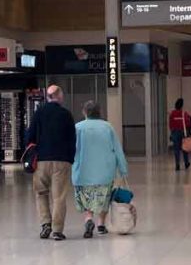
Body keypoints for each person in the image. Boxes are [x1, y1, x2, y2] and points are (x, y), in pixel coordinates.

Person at [25, 85, 76, 241]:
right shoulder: (66, 115)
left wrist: (33, 153)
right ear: (59, 97)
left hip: (41, 160)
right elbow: (72, 139)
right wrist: (70, 158)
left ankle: (45, 224)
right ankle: (57, 231)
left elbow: (29, 135)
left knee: (41, 193)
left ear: (47, 97)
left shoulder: (39, 113)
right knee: (59, 197)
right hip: (61, 161)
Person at [72, 101, 128, 238]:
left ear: (84, 112)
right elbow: (117, 149)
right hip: (104, 172)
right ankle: (101, 224)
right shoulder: (108, 127)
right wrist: (123, 168)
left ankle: (89, 219)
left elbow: (70, 148)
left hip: (82, 172)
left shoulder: (77, 128)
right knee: (104, 198)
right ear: (100, 112)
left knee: (87, 198)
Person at [168, 98, 191, 171]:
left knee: (176, 149)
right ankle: (186, 163)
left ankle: (177, 164)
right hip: (183, 132)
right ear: (181, 106)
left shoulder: (172, 114)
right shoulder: (184, 113)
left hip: (174, 133)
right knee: (185, 148)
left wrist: (172, 131)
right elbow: (188, 123)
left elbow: (170, 124)